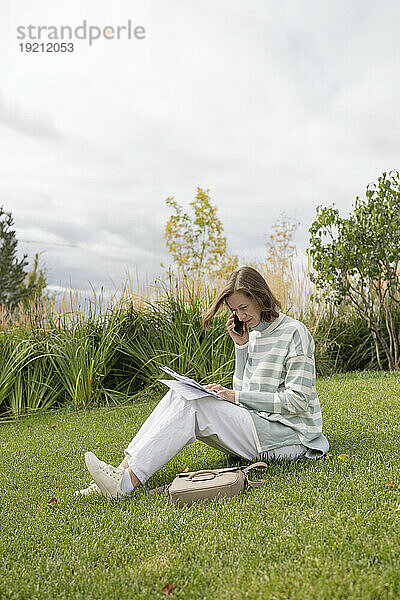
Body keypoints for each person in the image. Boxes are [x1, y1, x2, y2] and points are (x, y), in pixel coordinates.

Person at [76, 266, 329, 499]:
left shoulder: (295, 332)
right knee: (179, 394)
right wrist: (241, 348)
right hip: (259, 426)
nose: (240, 315)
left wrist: (233, 397)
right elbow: (245, 392)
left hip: (290, 437)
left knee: (195, 406)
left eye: (243, 307)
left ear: (260, 298)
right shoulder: (253, 335)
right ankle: (117, 474)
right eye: (234, 310)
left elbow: (297, 400)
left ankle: (125, 485)